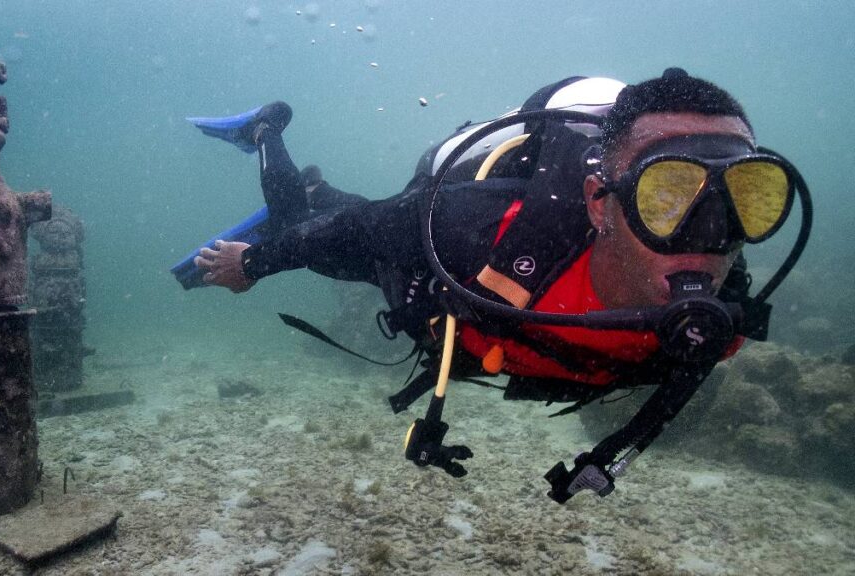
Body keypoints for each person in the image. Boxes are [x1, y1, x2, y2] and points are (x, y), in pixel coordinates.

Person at [176, 69, 810, 502]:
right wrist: (255, 264)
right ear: (598, 201)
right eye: (666, 195)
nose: (709, 234)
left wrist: (603, 459)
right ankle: (267, 131)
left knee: (333, 217)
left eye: (750, 199)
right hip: (422, 273)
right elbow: (367, 229)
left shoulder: (722, 300)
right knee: (308, 230)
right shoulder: (486, 230)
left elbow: (681, 377)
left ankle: (313, 192)